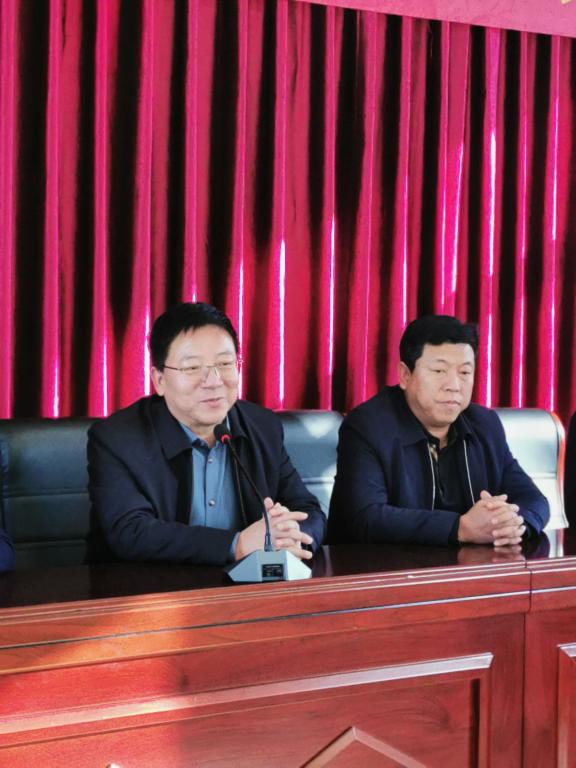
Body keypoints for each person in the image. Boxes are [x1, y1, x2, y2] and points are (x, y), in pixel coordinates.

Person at [88, 302, 326, 566]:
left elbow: (307, 510)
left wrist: (293, 537)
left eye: (225, 363)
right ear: (159, 380)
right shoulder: (117, 439)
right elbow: (131, 532)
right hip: (148, 587)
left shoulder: (263, 427)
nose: (213, 381)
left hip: (246, 587)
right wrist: (237, 545)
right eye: (192, 368)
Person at [328, 315, 549, 548]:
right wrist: (459, 528)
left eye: (465, 372)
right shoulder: (368, 426)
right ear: (405, 375)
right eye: (439, 371)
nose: (454, 385)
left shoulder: (485, 425)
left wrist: (514, 524)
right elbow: (366, 517)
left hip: (470, 567)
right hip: (385, 566)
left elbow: (534, 500)